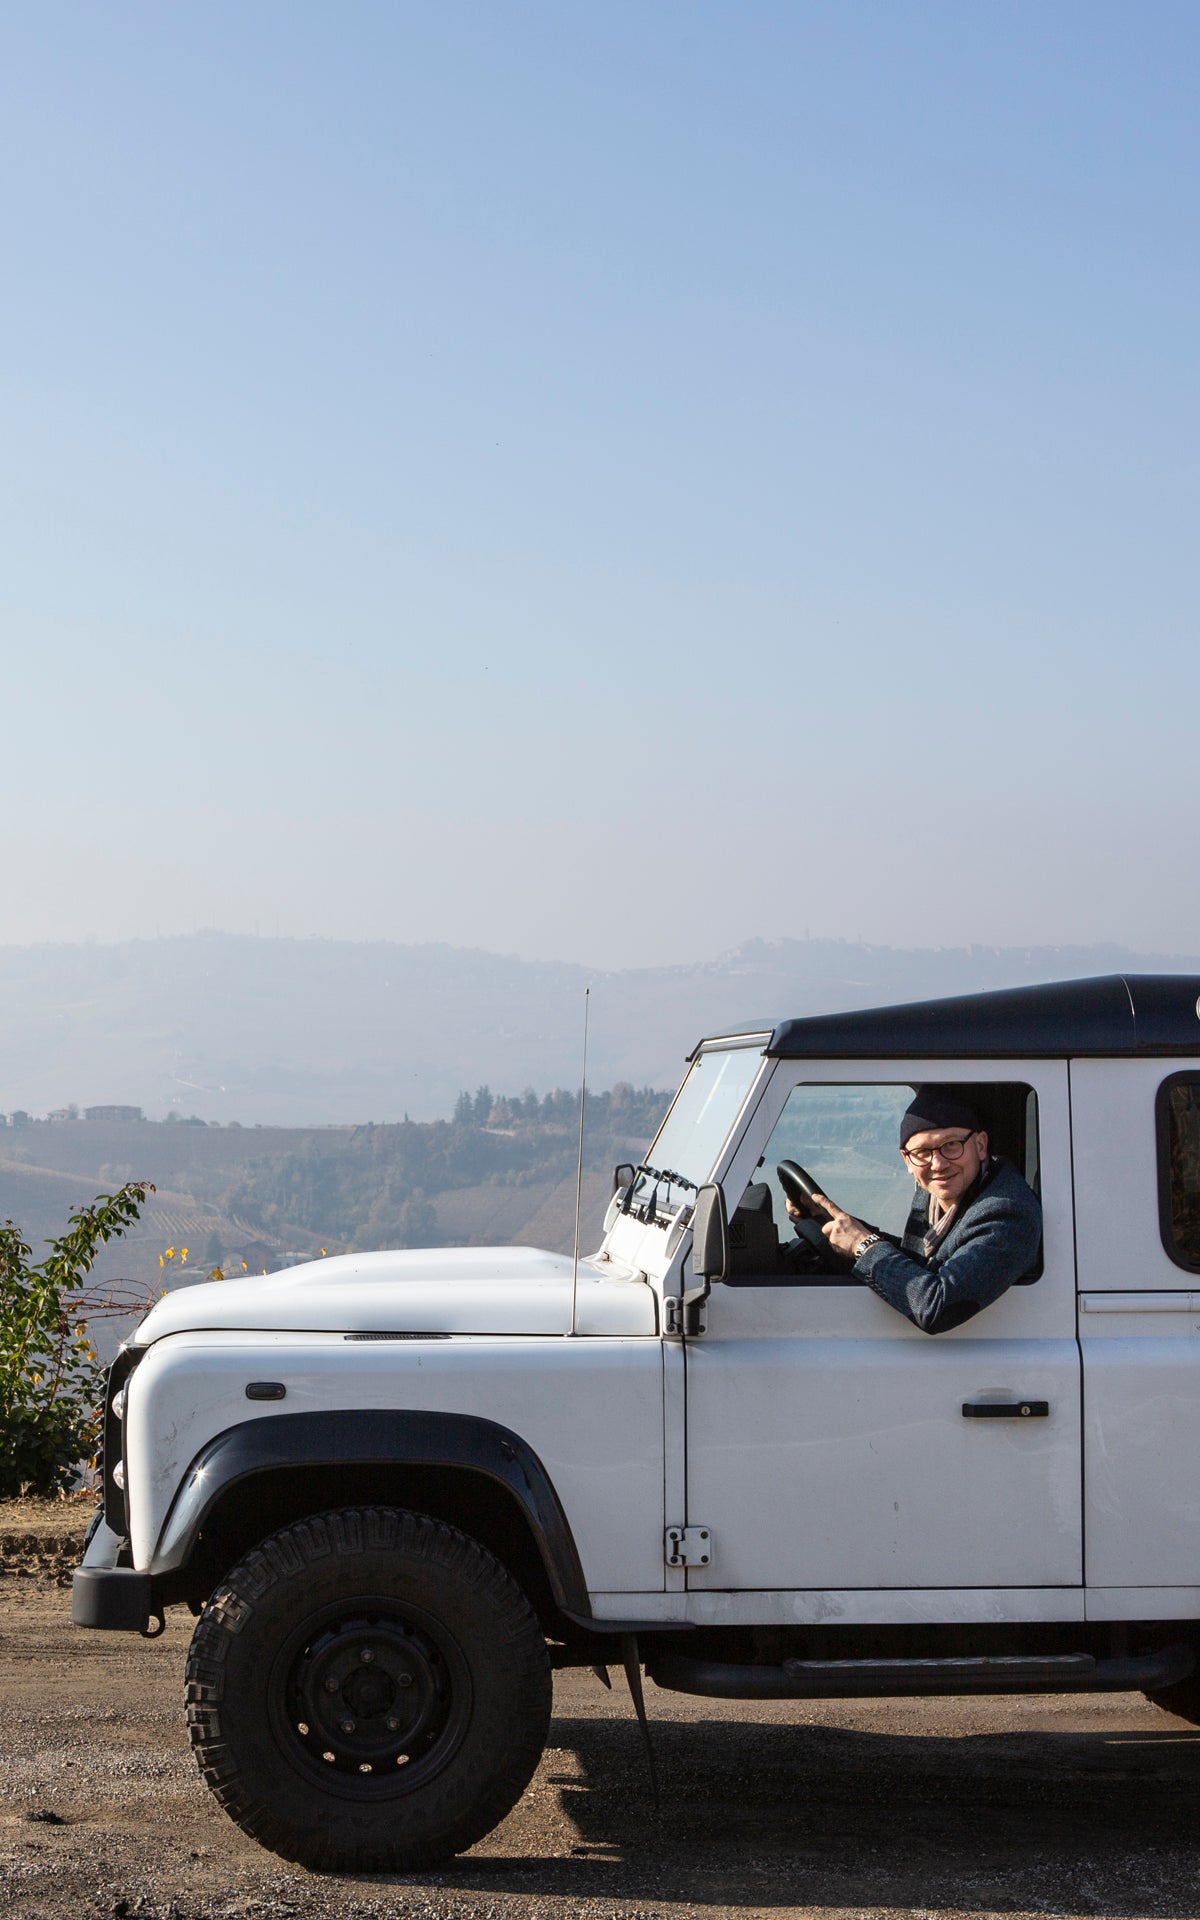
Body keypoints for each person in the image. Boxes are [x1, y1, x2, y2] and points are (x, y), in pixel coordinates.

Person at [814, 1086, 1043, 1334]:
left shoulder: (1007, 1213)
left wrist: (862, 1244)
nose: (938, 1164)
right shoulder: (932, 1194)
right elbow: (918, 1261)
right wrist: (841, 1228)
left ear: (980, 1145)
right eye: (922, 1152)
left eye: (951, 1145)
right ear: (907, 1160)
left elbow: (937, 1307)